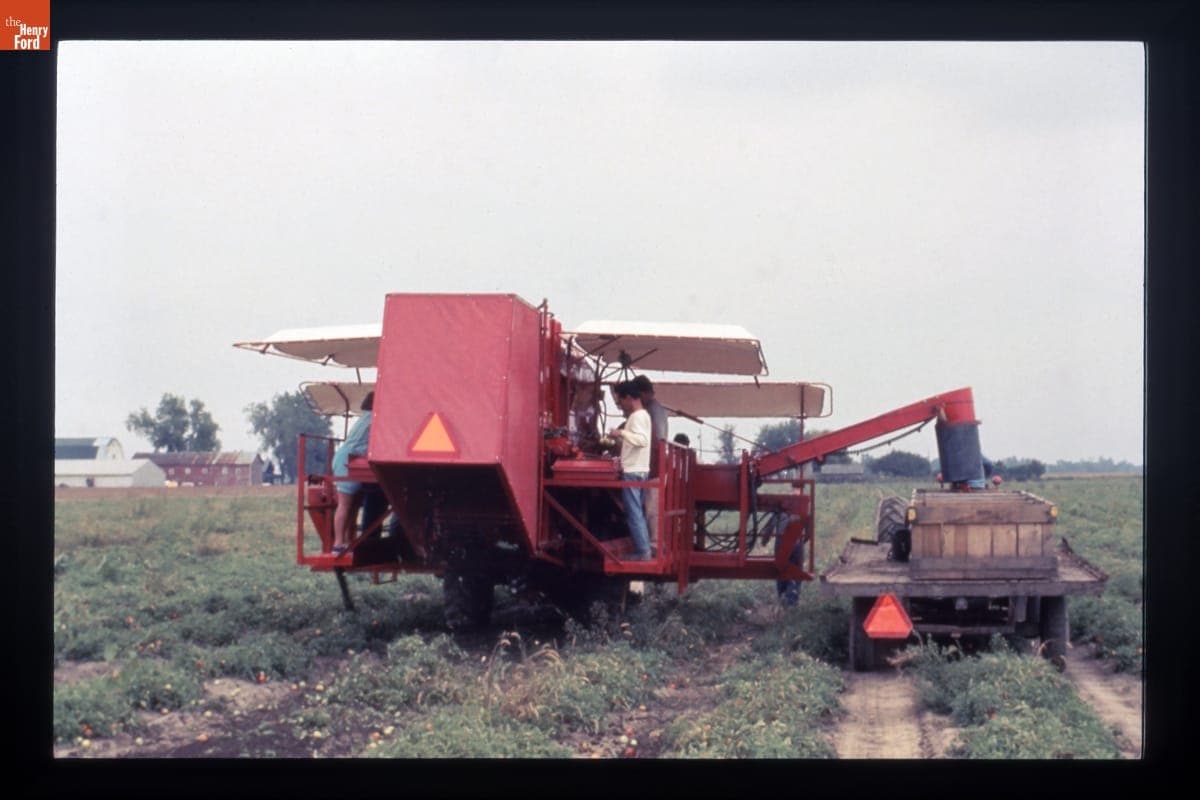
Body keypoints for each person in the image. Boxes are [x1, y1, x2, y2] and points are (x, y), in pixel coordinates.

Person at [608, 381, 653, 560]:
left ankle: (643, 551)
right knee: (637, 512)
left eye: (620, 401)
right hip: (640, 469)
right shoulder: (643, 415)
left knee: (633, 512)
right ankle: (643, 549)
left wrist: (621, 434)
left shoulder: (637, 416)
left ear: (629, 398)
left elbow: (642, 440)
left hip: (634, 470)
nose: (621, 406)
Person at [331, 391, 374, 554]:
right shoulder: (372, 419)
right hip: (347, 460)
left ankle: (348, 541)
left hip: (350, 458)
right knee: (345, 505)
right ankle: (338, 543)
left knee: (353, 505)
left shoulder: (366, 418)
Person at [632, 374, 668, 541]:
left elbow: (655, 440)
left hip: (655, 465)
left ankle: (653, 545)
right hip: (655, 464)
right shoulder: (655, 409)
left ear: (644, 393)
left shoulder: (652, 411)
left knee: (652, 509)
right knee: (651, 508)